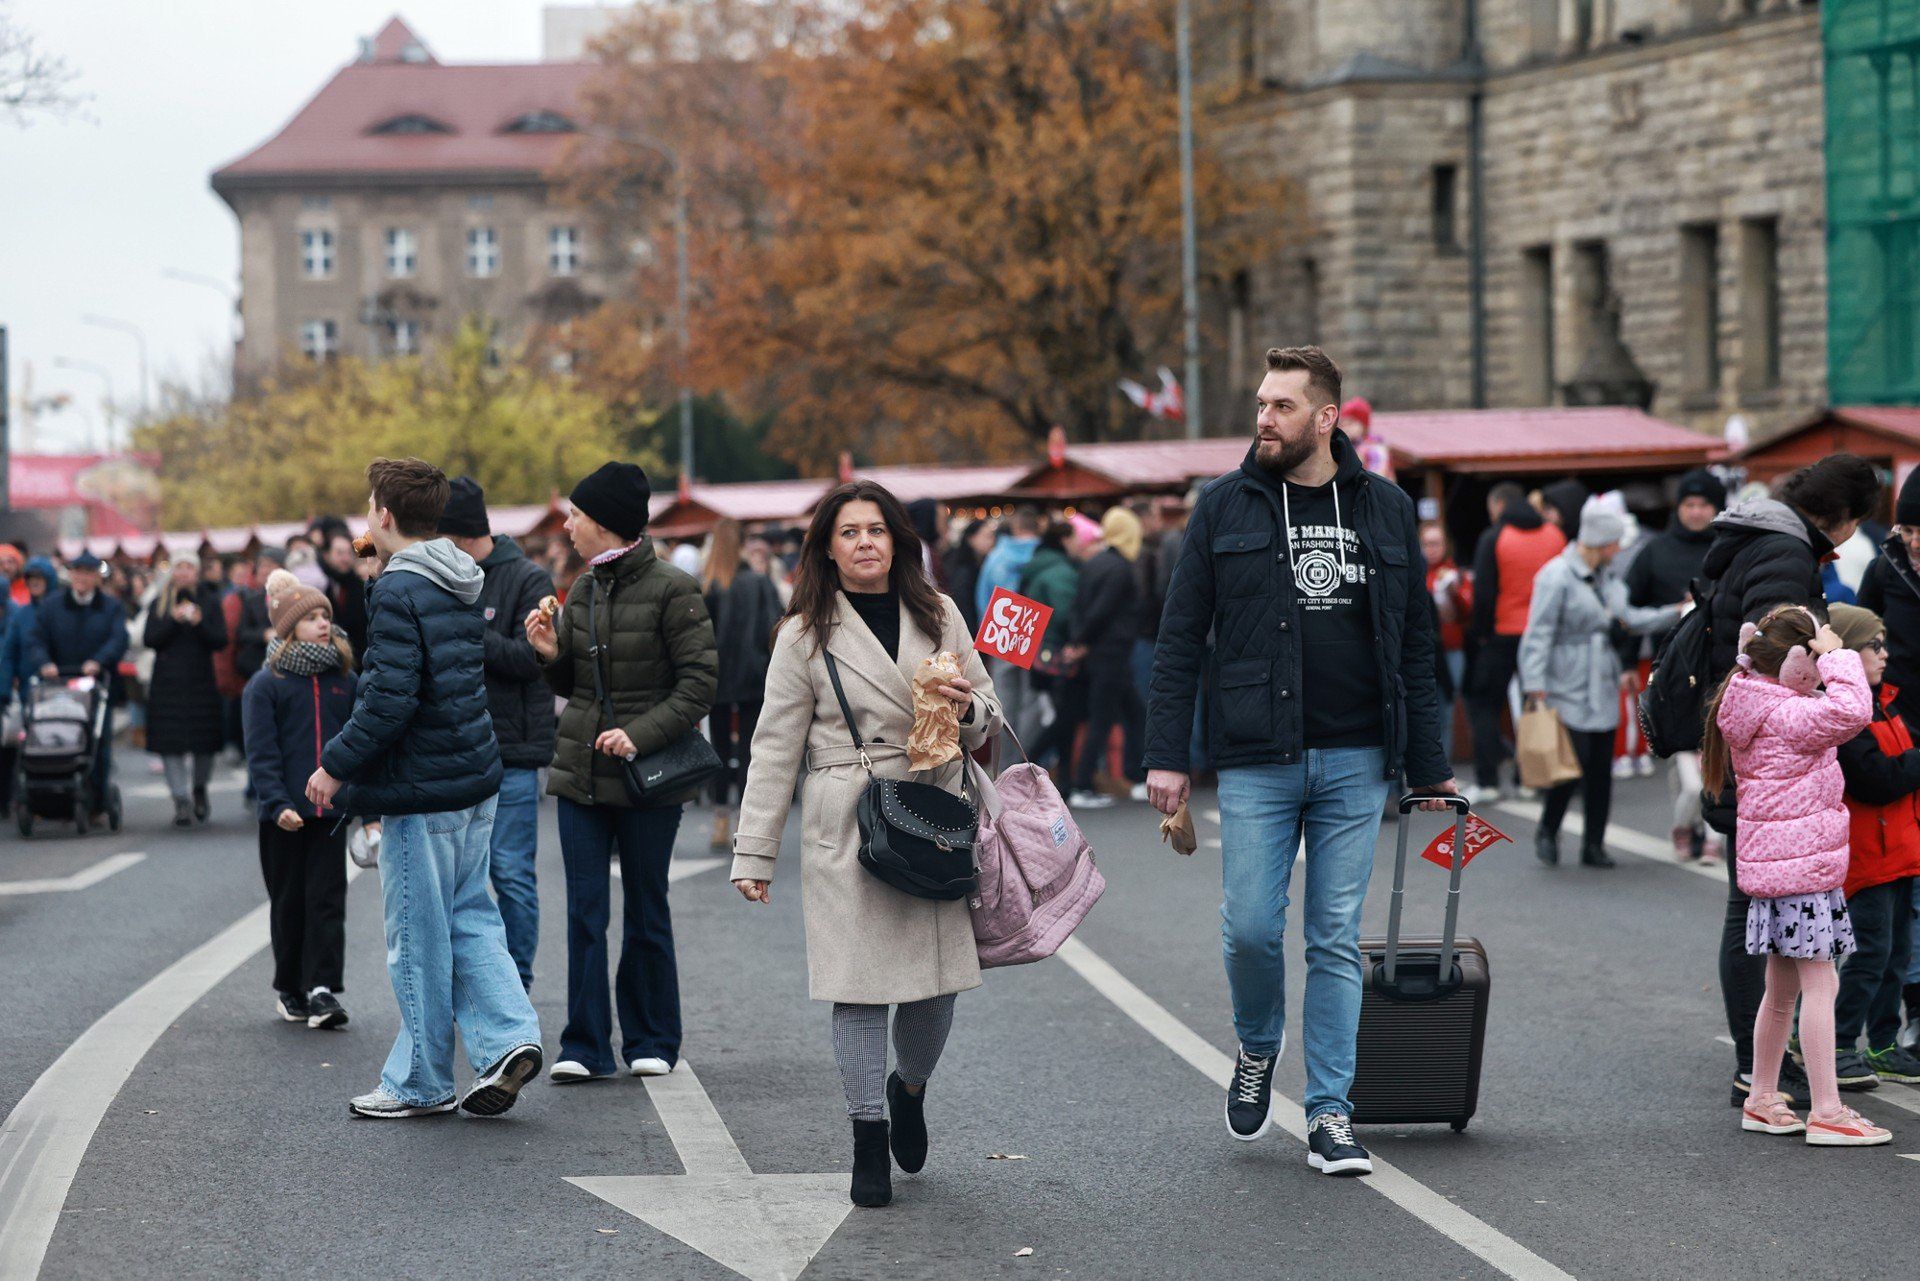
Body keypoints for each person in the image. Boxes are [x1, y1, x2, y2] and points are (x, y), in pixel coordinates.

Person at [1146, 345, 1458, 1178]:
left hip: (1359, 756)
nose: (1263, 419)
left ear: (1326, 418)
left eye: (1281, 405)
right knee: (1251, 926)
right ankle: (1257, 1045)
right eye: (1259, 403)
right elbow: (1179, 640)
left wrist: (1431, 766)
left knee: (1332, 936)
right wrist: (1166, 754)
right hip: (1255, 753)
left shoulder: (1385, 509)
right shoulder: (1225, 508)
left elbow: (1416, 646)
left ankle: (1330, 1111)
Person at [730, 479, 1001, 1209]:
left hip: (934, 811)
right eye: (848, 532)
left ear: (898, 540)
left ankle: (908, 1088)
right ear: (826, 548)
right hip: (847, 820)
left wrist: (968, 706)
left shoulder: (938, 612)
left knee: (936, 986)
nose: (864, 543)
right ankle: (866, 1136)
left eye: (876, 529)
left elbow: (988, 710)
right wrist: (754, 852)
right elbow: (773, 746)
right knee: (855, 988)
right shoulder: (803, 632)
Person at [306, 457, 542, 1120]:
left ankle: (420, 1079)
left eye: (369, 506)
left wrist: (335, 764)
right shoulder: (460, 576)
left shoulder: (399, 589)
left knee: (417, 934)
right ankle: (510, 1038)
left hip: (423, 786)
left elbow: (388, 699)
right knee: (471, 915)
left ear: (382, 512)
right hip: (474, 774)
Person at [525, 461, 717, 1084]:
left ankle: (652, 1036)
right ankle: (584, 1044)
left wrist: (638, 735)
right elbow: (577, 684)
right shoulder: (582, 588)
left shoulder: (673, 588)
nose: (568, 525)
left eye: (576, 515)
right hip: (580, 774)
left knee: (645, 906)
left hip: (647, 776)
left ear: (603, 523)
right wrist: (551, 657)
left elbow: (698, 686)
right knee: (584, 912)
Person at [1700, 453, 1880, 1110]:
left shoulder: (1754, 538)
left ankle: (1762, 1083)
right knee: (1811, 975)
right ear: (1838, 513)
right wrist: (1836, 657)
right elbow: (1830, 691)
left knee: (1767, 944)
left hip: (1751, 765)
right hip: (1785, 792)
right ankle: (1805, 1096)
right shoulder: (1783, 555)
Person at [1703, 604, 1889, 1146]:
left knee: (1780, 989)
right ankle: (1828, 1110)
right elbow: (1854, 712)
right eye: (1813, 655)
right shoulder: (1789, 714)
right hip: (1803, 868)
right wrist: (1840, 657)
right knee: (1820, 983)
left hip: (1779, 869)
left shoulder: (1750, 702)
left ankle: (1762, 1096)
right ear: (1793, 662)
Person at [440, 476, 556, 994]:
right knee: (457, 882)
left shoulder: (529, 580)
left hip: (511, 752)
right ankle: (473, 984)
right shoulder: (444, 577)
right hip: (454, 751)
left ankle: (516, 985)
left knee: (510, 875)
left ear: (463, 536)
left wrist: (464, 627)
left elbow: (533, 661)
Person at [1518, 507, 1681, 866]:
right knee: (1569, 764)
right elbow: (1538, 632)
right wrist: (1535, 682)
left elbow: (1630, 619)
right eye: (1612, 543)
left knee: (1599, 769)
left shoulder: (1608, 577)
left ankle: (1594, 843)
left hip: (1602, 676)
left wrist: (1675, 612)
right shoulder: (1556, 576)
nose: (1616, 550)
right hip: (1566, 677)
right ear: (1599, 542)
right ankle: (1548, 828)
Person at [244, 585, 357, 1030]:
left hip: (329, 814)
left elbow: (358, 747)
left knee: (328, 900)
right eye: (312, 618)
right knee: (288, 901)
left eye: (326, 616)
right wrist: (276, 804)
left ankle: (323, 989)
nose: (324, 623)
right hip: (284, 817)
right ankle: (290, 986)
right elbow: (262, 754)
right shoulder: (265, 685)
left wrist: (364, 811)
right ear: (291, 630)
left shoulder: (345, 681)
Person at [1827, 604, 1920, 1084]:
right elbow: (1874, 780)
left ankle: (1883, 1041)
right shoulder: (1847, 715)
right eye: (1872, 645)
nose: (1884, 654)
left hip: (1901, 853)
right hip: (1867, 857)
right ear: (1843, 651)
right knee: (1867, 956)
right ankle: (1834, 1042)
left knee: (1895, 958)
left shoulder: (1884, 701)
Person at [1625, 468, 1725, 862]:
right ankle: (1688, 824)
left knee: (1717, 755)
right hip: (1669, 668)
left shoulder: (1727, 546)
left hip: (1720, 665)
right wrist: (1626, 659)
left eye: (1704, 505)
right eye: (1689, 504)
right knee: (1685, 761)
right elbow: (1628, 610)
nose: (1696, 512)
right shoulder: (1655, 551)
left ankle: (1713, 836)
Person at [1466, 482, 1566, 800]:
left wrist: (1479, 634)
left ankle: (1487, 781)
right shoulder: (1554, 535)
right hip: (1544, 633)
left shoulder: (1495, 537)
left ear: (1498, 505)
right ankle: (1530, 777)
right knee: (1536, 704)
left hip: (1502, 633)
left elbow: (1483, 594)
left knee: (1483, 705)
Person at [702, 517, 785, 852]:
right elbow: (774, 627)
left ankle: (720, 819)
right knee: (751, 749)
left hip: (717, 677)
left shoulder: (707, 585)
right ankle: (746, 823)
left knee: (719, 748)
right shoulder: (759, 582)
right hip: (754, 675)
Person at [29, 552, 129, 821]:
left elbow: (119, 639)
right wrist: (44, 663)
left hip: (96, 687)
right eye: (77, 572)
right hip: (57, 684)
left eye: (87, 573)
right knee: (53, 737)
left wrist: (99, 661)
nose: (81, 578)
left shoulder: (111, 607)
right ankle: (49, 800)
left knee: (97, 743)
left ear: (97, 577)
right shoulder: (51, 606)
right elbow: (36, 640)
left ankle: (95, 799)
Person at [1064, 507, 1145, 809]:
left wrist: (1079, 641)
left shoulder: (1095, 563)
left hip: (1098, 652)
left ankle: (1134, 777)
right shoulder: (1120, 568)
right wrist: (1081, 640)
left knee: (1129, 713)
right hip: (1111, 652)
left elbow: (1079, 607)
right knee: (1107, 718)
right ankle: (1084, 784)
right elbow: (1103, 610)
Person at [143, 555, 230, 827]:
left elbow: (220, 640)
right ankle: (180, 799)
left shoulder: (209, 600)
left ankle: (200, 789)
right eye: (179, 567)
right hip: (167, 684)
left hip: (200, 681)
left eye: (189, 567)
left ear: (197, 571)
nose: (183, 573)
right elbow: (150, 639)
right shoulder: (160, 601)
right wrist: (173, 620)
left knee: (204, 742)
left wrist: (198, 622)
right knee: (171, 744)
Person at [1021, 519, 1085, 775]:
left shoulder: (1036, 566)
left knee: (1055, 716)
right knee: (1064, 718)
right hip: (1055, 650)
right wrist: (1080, 640)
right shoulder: (1061, 571)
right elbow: (1066, 614)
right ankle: (1029, 768)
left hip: (1035, 649)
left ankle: (1059, 776)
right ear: (1065, 540)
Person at [976, 506, 1044, 745]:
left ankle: (1005, 767)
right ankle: (1030, 762)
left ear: (1015, 527)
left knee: (1002, 703)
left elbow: (982, 596)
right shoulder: (1042, 554)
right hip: (1035, 630)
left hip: (1000, 630)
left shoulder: (997, 555)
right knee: (1032, 701)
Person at [1421, 522, 1472, 704]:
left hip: (1451, 649)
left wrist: (1454, 594)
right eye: (1426, 544)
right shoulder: (1415, 576)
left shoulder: (1456, 575)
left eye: (1435, 544)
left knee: (1449, 708)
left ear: (1445, 545)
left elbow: (1468, 613)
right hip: (1423, 652)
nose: (1430, 549)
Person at [319, 530, 371, 661]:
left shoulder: (363, 587)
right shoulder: (322, 586)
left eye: (349, 553)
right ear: (327, 555)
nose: (346, 559)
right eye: (340, 553)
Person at [941, 518, 997, 638]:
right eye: (987, 536)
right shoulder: (964, 571)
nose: (992, 541)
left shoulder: (983, 565)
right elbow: (965, 608)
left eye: (992, 536)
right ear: (971, 538)